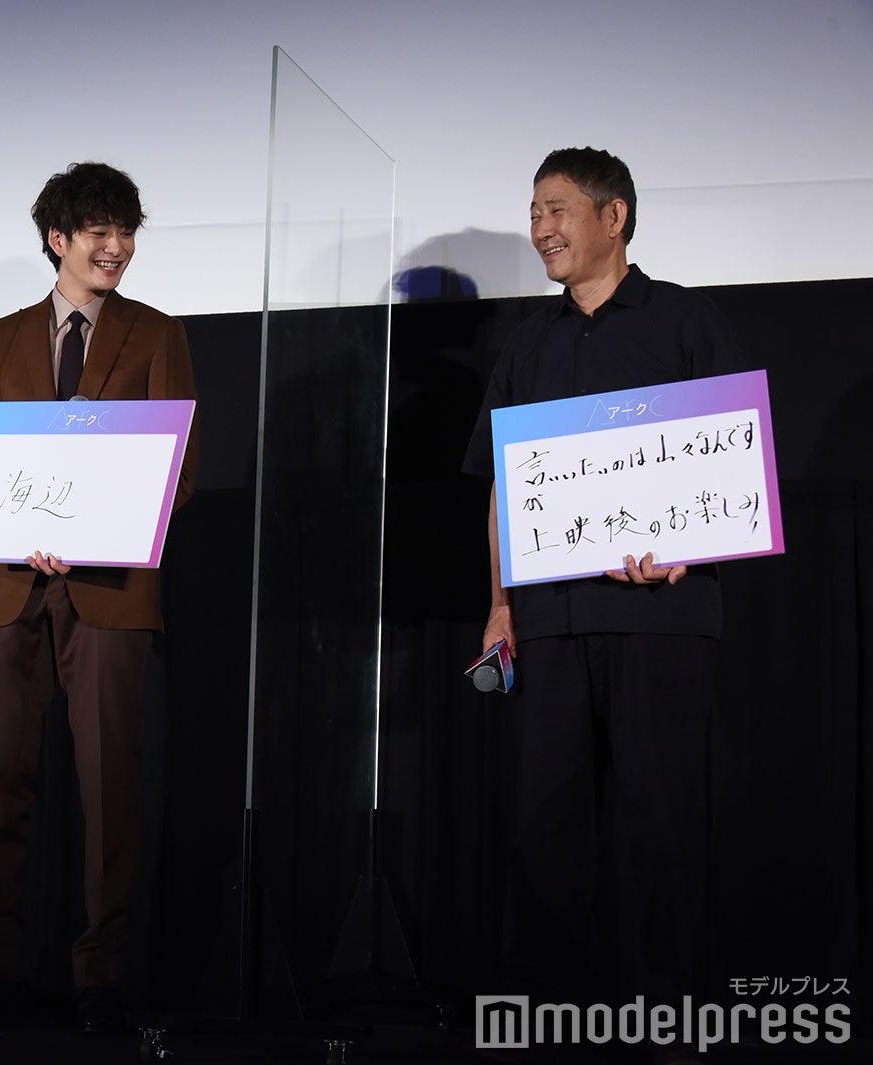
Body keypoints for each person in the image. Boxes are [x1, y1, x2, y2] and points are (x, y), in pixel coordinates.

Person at [464, 149, 744, 1063]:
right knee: (544, 825)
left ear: (612, 215)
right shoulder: (529, 345)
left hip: (661, 618)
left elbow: (732, 456)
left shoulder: (685, 321)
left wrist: (690, 544)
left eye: (556, 209)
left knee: (660, 822)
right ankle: (550, 1020)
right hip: (548, 623)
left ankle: (668, 1019)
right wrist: (500, 606)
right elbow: (504, 485)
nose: (540, 228)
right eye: (533, 212)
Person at [0, 162, 199, 1032]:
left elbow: (179, 468)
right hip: (9, 586)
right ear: (58, 239)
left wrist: (95, 525)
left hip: (109, 588)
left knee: (110, 791)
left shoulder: (158, 334)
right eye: (98, 231)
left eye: (126, 231)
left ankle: (102, 979)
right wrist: (19, 521)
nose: (115, 246)